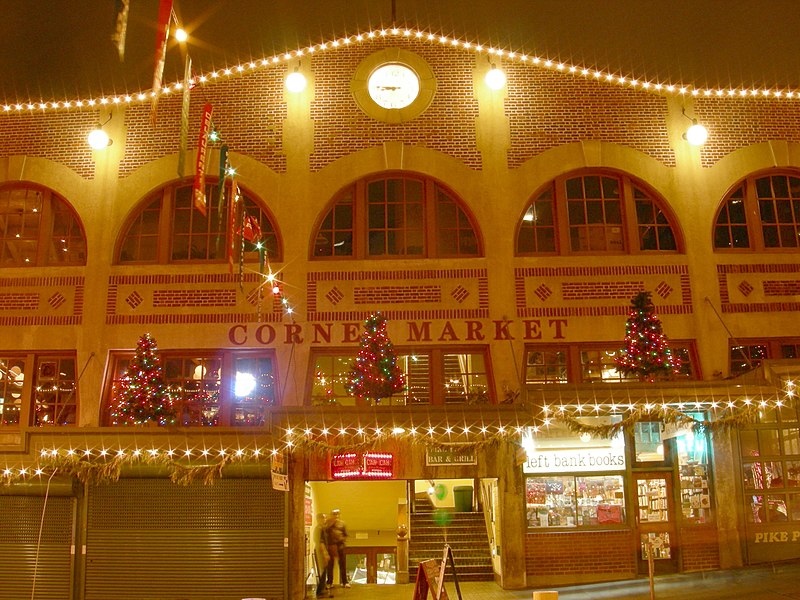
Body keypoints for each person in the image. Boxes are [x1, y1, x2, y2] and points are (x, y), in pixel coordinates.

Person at [325, 508, 350, 588]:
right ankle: (329, 582)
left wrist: (342, 540)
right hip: (331, 545)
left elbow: (346, 534)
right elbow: (325, 533)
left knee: (342, 564)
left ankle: (345, 582)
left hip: (340, 545)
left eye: (337, 514)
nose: (336, 516)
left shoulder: (342, 524)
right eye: (334, 514)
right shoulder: (327, 523)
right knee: (330, 565)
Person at [313, 513, 331, 598]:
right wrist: (325, 553)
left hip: (320, 551)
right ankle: (320, 590)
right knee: (323, 570)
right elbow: (320, 542)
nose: (325, 520)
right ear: (319, 519)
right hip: (320, 551)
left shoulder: (321, 528)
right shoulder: (319, 529)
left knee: (324, 570)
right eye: (323, 518)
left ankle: (322, 588)